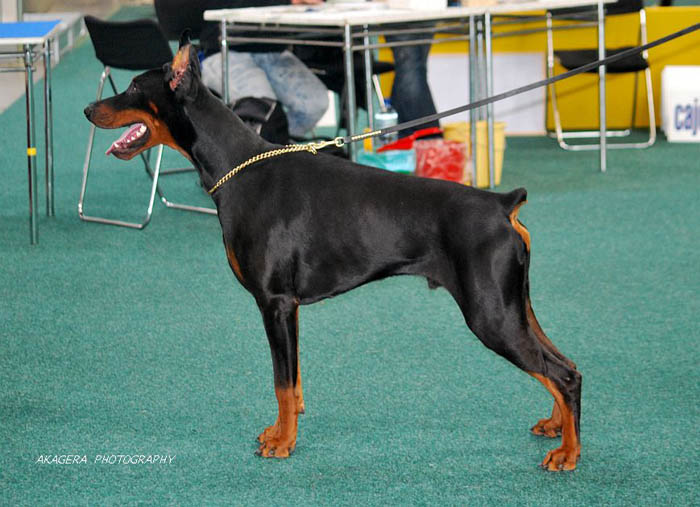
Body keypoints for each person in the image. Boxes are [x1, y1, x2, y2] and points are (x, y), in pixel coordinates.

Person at [198, 0, 329, 138]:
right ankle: (265, 142)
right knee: (263, 112)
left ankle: (276, 142)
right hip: (223, 49)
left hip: (272, 48)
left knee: (315, 104)